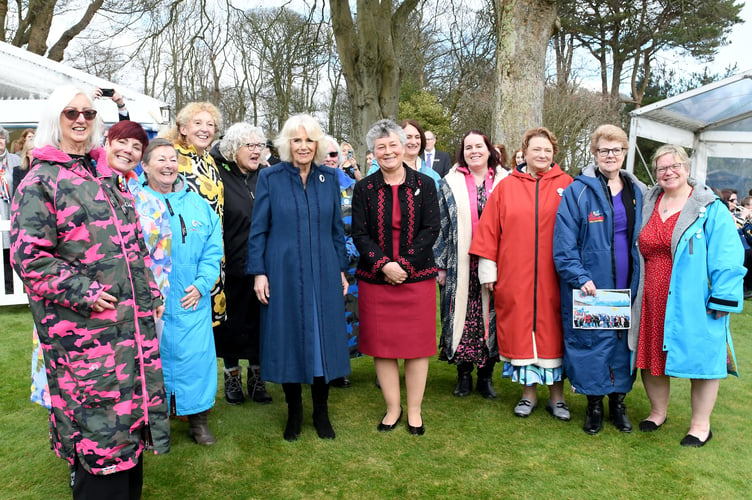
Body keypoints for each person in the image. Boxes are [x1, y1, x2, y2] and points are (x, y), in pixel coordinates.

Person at [11, 85, 169, 498]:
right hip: (86, 338)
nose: (81, 119)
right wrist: (85, 291)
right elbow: (30, 257)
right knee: (100, 442)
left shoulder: (106, 176)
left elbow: (133, 243)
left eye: (87, 112)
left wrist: (150, 293)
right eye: (70, 113)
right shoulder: (41, 181)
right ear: (55, 119)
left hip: (131, 335)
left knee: (129, 435)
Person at [247, 114, 350, 441]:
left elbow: (337, 229)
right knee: (289, 337)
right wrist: (259, 272)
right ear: (286, 144)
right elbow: (259, 229)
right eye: (296, 140)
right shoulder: (270, 178)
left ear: (317, 144)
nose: (303, 146)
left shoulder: (329, 179)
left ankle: (321, 411)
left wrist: (341, 269)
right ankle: (294, 412)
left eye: (309, 140)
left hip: (323, 268)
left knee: (323, 339)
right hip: (283, 269)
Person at [634, 144, 745, 447]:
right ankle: (657, 412)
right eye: (661, 168)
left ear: (686, 168)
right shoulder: (647, 202)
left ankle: (700, 425)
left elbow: (728, 254)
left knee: (703, 358)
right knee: (651, 356)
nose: (668, 172)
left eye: (674, 166)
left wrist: (723, 296)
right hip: (651, 295)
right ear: (655, 173)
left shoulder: (709, 206)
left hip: (694, 297)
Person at [470, 127, 573, 420]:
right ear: (524, 152)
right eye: (536, 149)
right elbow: (489, 228)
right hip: (516, 275)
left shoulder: (568, 185)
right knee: (522, 331)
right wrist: (488, 268)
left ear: (554, 153)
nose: (542, 155)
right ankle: (527, 393)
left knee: (555, 332)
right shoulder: (506, 186)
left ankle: (557, 396)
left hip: (556, 277)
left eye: (547, 150)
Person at [553, 125, 646, 435]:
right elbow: (564, 244)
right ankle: (593, 406)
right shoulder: (577, 191)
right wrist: (579, 277)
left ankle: (618, 405)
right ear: (594, 153)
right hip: (592, 286)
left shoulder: (638, 191)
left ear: (624, 153)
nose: (610, 155)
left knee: (623, 345)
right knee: (591, 345)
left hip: (628, 285)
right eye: (604, 150)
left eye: (616, 150)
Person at [132, 137, 223, 445]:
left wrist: (201, 285)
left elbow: (213, 250)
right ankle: (152, 423)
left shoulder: (197, 204)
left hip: (190, 297)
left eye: (173, 159)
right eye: (160, 159)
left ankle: (198, 419)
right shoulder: (133, 203)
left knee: (195, 359)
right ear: (145, 166)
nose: (169, 165)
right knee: (150, 360)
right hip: (149, 300)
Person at [352, 119, 440, 436]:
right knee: (383, 347)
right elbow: (360, 234)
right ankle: (393, 408)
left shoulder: (425, 185)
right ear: (373, 153)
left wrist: (402, 264)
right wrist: (384, 265)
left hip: (416, 278)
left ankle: (414, 410)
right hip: (376, 280)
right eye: (381, 147)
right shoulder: (364, 189)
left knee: (417, 347)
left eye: (392, 145)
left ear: (403, 147)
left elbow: (431, 229)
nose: (387, 151)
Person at [435, 130, 506, 399]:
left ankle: (486, 376)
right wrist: (440, 265)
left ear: (489, 150)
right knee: (461, 318)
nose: (474, 151)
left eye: (479, 146)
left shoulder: (505, 181)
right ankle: (463, 374)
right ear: (462, 152)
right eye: (468, 147)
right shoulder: (449, 182)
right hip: (459, 263)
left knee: (492, 317)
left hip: (496, 263)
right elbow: (440, 226)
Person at [209, 123, 272, 405]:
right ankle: (232, 376)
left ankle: (258, 378)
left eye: (259, 145)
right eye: (250, 146)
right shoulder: (218, 177)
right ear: (234, 149)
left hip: (264, 265)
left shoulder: (267, 177)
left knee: (261, 323)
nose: (256, 151)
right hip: (230, 263)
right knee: (231, 325)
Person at [162, 102, 226, 326]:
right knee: (183, 318)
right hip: (181, 253)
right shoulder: (171, 157)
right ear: (183, 128)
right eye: (197, 123)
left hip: (210, 251)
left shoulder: (208, 160)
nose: (205, 129)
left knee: (204, 325)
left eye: (210, 124)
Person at [323, 136, 360, 388]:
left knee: (345, 317)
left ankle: (339, 368)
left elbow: (361, 228)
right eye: (324, 154)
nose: (329, 158)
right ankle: (319, 366)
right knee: (322, 316)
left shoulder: (353, 189)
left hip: (349, 263)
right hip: (320, 262)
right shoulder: (307, 185)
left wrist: (345, 254)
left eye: (333, 154)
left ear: (342, 158)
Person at [365, 119, 441, 188]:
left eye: (417, 137)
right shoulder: (377, 168)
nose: (413, 142)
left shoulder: (433, 176)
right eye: (408, 137)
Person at [0, 125, 21, 294]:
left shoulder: (15, 160)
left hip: (11, 210)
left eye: (1, 138)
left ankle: (12, 286)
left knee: (10, 249)